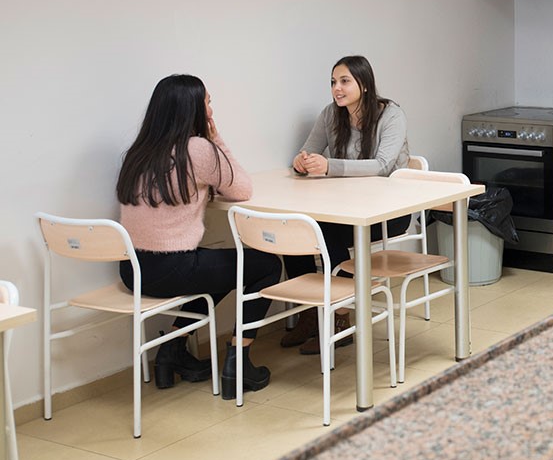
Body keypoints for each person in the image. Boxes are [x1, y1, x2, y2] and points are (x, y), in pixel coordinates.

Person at [117, 74, 280, 400]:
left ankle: (172, 350)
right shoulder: (197, 150)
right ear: (192, 109)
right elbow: (242, 188)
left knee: (222, 265)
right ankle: (238, 362)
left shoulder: (139, 152)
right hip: (171, 269)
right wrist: (216, 138)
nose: (211, 109)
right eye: (207, 102)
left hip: (133, 270)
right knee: (266, 265)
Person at [281, 54, 409, 353]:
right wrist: (302, 161)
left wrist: (329, 166)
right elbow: (308, 149)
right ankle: (311, 314)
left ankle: (340, 316)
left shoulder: (391, 115)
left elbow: (382, 165)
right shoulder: (331, 114)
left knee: (324, 232)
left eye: (344, 81)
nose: (336, 88)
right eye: (333, 82)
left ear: (363, 84)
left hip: (389, 212)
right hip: (345, 208)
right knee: (298, 230)